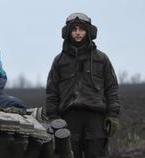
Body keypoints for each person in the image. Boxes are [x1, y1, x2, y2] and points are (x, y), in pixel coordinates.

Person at [46, 12, 120, 158]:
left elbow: (112, 88)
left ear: (89, 32)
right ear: (68, 32)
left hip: (96, 120)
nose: (78, 33)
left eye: (81, 29)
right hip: (68, 120)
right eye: (74, 29)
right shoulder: (59, 61)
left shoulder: (101, 59)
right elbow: (52, 92)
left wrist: (113, 115)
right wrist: (52, 118)